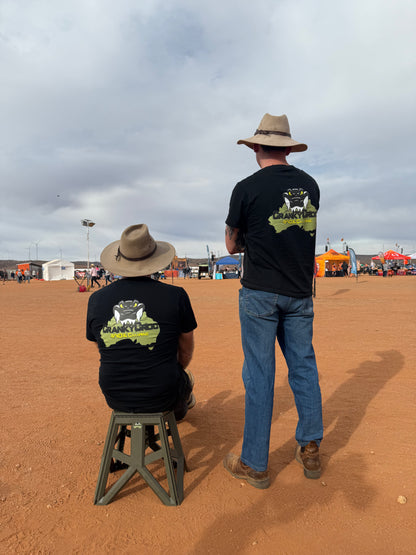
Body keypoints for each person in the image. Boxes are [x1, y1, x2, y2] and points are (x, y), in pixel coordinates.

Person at [223, 113, 323, 489]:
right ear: (286, 148)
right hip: (299, 292)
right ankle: (311, 448)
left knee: (260, 374)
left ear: (256, 147)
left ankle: (255, 463)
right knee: (303, 368)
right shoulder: (310, 186)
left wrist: (246, 235)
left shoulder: (246, 187)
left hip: (260, 292)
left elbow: (233, 244)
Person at [86, 224, 197, 421]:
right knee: (186, 378)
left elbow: (101, 346)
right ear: (155, 259)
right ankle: (179, 408)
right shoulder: (176, 295)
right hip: (162, 392)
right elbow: (186, 350)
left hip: (115, 394)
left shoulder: (96, 299)